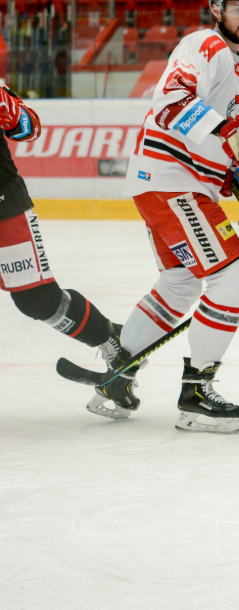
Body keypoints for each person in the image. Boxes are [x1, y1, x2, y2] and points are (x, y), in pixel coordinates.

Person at [103, 0, 239, 434]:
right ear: (216, 9)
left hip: (182, 186)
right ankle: (196, 393)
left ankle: (117, 375)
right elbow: (171, 100)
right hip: (170, 180)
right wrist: (227, 131)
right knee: (231, 279)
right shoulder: (202, 45)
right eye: (238, 8)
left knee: (179, 282)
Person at [0, 81, 127, 417]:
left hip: (3, 205)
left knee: (37, 300)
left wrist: (10, 111)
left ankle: (108, 337)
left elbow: (29, 128)